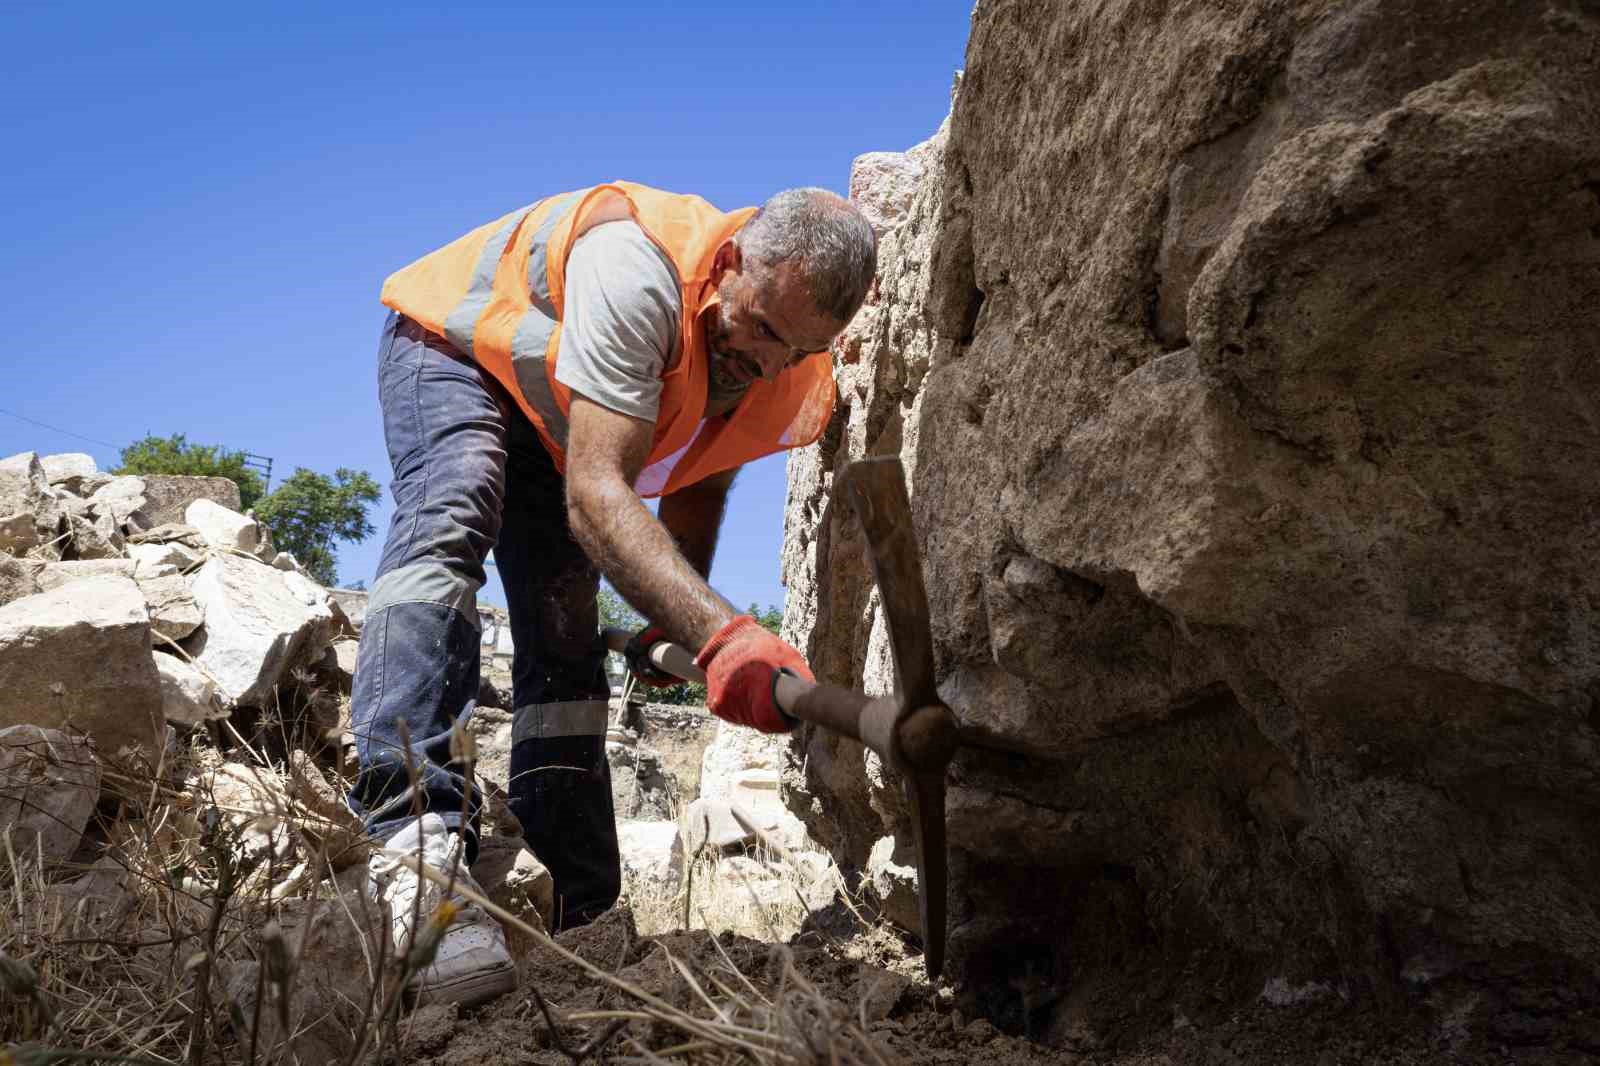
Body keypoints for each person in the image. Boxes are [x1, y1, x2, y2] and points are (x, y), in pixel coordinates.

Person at [346, 182, 876, 1006]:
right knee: (454, 508)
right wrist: (723, 635)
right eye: (765, 329)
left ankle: (580, 907)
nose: (772, 364)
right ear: (731, 263)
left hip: (552, 414)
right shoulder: (638, 271)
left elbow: (697, 481)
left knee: (565, 619)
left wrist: (681, 627)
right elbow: (599, 491)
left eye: (798, 352)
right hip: (455, 351)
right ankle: (412, 849)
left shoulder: (779, 357)